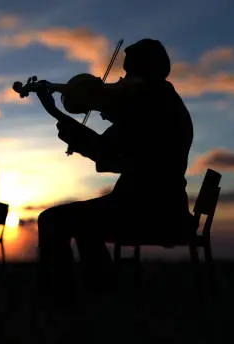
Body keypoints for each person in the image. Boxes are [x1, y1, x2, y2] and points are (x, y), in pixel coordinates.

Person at [35, 39, 195, 295]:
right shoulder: (162, 103)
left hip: (149, 210)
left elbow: (106, 152)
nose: (122, 82)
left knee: (53, 220)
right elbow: (112, 156)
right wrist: (62, 114)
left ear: (146, 71)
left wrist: (57, 113)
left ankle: (59, 298)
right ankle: (102, 290)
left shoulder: (151, 107)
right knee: (84, 223)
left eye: (130, 74)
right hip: (161, 205)